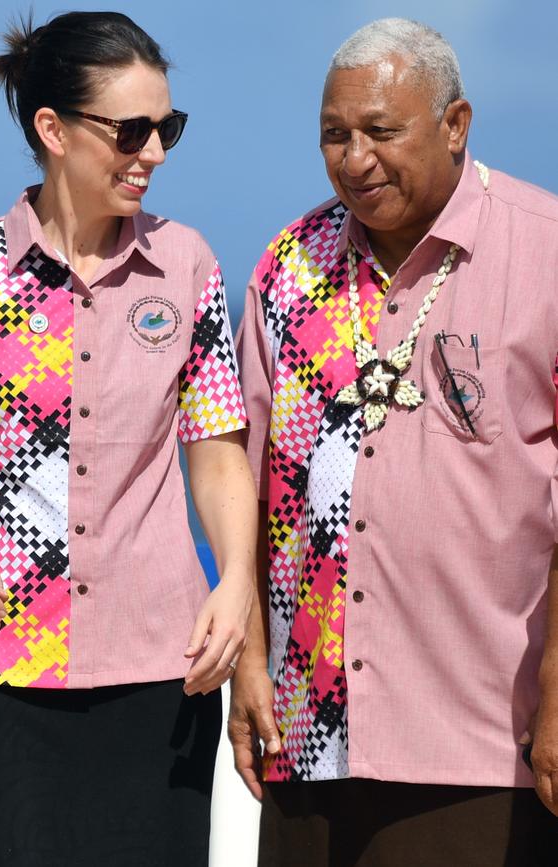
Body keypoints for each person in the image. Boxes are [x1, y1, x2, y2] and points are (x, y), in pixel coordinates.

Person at [0, 11, 257, 867]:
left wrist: (238, 579)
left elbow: (216, 452)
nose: (156, 152)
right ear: (53, 130)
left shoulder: (189, 266)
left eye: (167, 127)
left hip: (158, 671)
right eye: (131, 130)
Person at [231, 16, 558, 867]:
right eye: (334, 135)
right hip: (306, 737)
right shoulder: (286, 267)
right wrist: (249, 666)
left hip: (485, 743)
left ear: (456, 125)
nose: (354, 158)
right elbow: (245, 484)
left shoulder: (545, 250)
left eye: (382, 130)